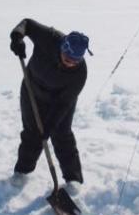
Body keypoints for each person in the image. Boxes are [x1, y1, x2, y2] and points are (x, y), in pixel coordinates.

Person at [9, 18, 91, 191]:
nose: (70, 64)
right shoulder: (49, 38)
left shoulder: (79, 74)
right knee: (32, 133)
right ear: (63, 47)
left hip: (59, 100)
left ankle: (73, 180)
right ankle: (22, 173)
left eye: (75, 62)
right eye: (68, 59)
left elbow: (63, 105)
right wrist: (17, 37)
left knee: (61, 134)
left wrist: (48, 128)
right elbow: (27, 24)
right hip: (32, 90)